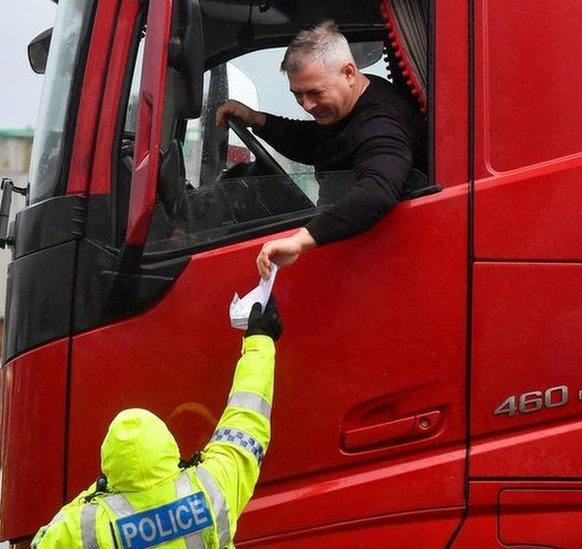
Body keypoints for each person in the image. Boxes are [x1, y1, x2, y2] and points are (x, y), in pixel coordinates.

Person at [30, 299, 283, 548]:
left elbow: (41, 542)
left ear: (110, 464)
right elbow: (246, 420)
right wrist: (260, 338)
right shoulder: (210, 489)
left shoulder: (86, 526)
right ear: (169, 445)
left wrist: (98, 491)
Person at [215, 19, 427, 279]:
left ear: (348, 73)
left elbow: (376, 192)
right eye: (298, 95)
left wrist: (302, 240)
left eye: (315, 93)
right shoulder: (349, 103)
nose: (307, 105)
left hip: (378, 263)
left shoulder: (382, 123)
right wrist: (257, 119)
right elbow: (317, 143)